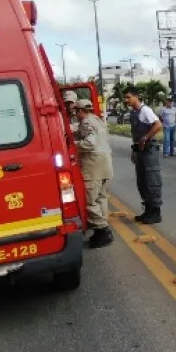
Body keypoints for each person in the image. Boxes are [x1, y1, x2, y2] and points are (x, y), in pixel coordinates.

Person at [74, 99, 114, 248]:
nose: (75, 114)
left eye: (75, 111)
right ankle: (100, 231)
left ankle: (103, 230)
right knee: (101, 198)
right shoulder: (97, 120)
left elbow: (90, 143)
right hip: (105, 166)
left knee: (90, 201)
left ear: (80, 111)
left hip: (93, 167)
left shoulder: (86, 123)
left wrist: (73, 145)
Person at [124, 86, 164, 224]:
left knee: (152, 180)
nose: (126, 100)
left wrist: (146, 137)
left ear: (136, 96)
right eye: (125, 97)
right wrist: (134, 152)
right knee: (142, 181)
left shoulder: (145, 110)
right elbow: (136, 135)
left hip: (149, 150)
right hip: (139, 150)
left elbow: (158, 125)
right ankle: (148, 210)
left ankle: (156, 212)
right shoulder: (134, 112)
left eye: (129, 97)